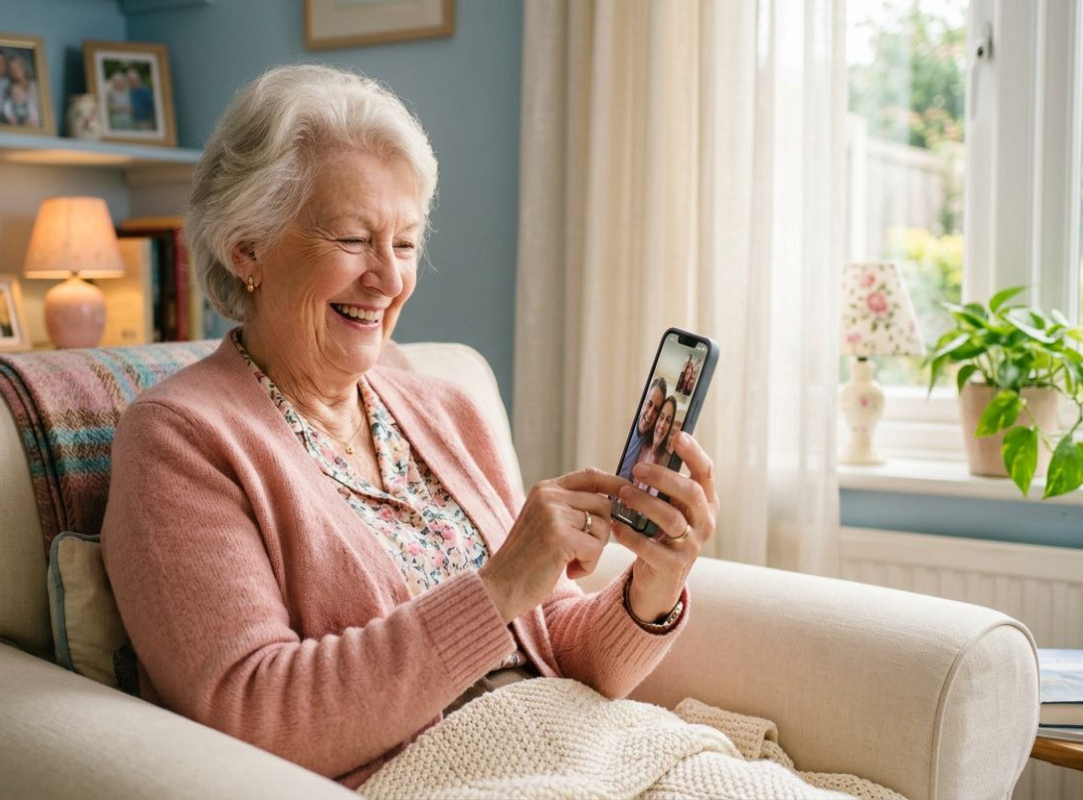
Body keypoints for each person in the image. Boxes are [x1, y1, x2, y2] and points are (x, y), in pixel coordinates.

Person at [100, 64, 719, 791]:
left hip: (575, 748)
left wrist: (654, 584)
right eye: (356, 240)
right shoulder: (180, 439)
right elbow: (252, 713)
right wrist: (497, 588)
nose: (389, 279)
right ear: (248, 248)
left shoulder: (443, 407)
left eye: (404, 244)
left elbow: (560, 649)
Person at [619, 377, 667, 480]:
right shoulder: (624, 425)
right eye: (649, 404)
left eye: (656, 410)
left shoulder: (651, 444)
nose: (650, 413)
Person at [633, 395, 678, 497]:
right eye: (661, 417)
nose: (662, 425)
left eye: (667, 421)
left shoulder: (667, 462)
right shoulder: (642, 447)